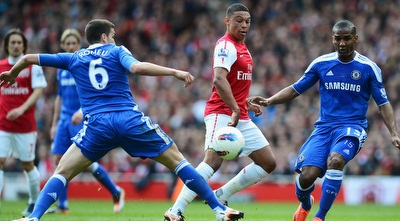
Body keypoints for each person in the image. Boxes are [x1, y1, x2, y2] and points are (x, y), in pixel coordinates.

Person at [0, 19, 244, 221]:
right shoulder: (117, 51)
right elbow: (136, 69)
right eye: (113, 35)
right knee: (178, 161)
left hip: (97, 125)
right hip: (128, 119)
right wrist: (174, 71)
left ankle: (33, 218)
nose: (115, 39)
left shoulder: (74, 58)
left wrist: (12, 72)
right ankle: (220, 210)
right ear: (105, 37)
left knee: (62, 171)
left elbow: (29, 58)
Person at [248, 20, 400, 221]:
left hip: (352, 127)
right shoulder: (321, 63)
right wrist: (269, 100)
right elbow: (296, 89)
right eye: (338, 39)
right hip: (324, 128)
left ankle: (320, 217)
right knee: (306, 177)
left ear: (356, 39)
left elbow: (383, 103)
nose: (342, 43)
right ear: (332, 39)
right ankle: (305, 203)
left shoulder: (368, 68)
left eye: (347, 38)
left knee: (335, 161)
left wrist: (394, 132)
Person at [164, 3, 276, 220]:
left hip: (238, 113)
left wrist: (244, 104)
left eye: (247, 21)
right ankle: (176, 209)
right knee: (213, 161)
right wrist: (236, 107)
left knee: (268, 162)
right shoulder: (225, 45)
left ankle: (221, 195)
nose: (244, 25)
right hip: (221, 112)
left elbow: (236, 83)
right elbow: (218, 79)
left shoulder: (243, 46)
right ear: (227, 21)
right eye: (239, 20)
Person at [46, 28, 125, 215]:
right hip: (64, 120)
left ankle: (115, 190)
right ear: (63, 46)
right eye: (68, 44)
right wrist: (54, 123)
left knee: (84, 161)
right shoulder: (62, 69)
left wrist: (82, 111)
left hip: (82, 117)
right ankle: (63, 205)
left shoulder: (85, 64)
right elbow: (59, 98)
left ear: (79, 45)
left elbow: (97, 91)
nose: (72, 46)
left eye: (74, 43)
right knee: (59, 159)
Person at [0, 28, 47, 216]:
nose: (16, 45)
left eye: (19, 42)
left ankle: (34, 201)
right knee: (0, 161)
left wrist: (21, 109)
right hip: (2, 124)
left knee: (27, 165)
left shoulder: (31, 66)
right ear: (7, 46)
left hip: (25, 125)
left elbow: (38, 91)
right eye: (13, 42)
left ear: (24, 46)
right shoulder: (1, 65)